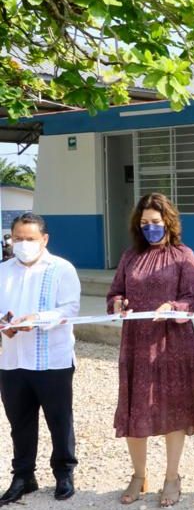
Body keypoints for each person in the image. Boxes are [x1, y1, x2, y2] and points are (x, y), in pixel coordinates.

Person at [106, 193, 194, 506]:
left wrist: (173, 306)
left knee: (172, 409)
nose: (150, 227)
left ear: (168, 222)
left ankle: (172, 477)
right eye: (144, 222)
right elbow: (114, 293)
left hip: (173, 343)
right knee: (136, 408)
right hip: (136, 342)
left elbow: (190, 299)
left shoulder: (182, 255)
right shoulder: (129, 257)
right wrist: (118, 304)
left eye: (155, 221)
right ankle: (139, 475)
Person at [0, 213, 81, 505]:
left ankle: (64, 473)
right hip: (12, 360)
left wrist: (37, 319)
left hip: (52, 360)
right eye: (18, 239)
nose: (23, 245)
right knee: (19, 422)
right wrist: (4, 324)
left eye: (30, 239)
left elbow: (70, 309)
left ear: (44, 239)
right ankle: (23, 476)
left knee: (59, 420)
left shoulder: (61, 269)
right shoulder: (4, 271)